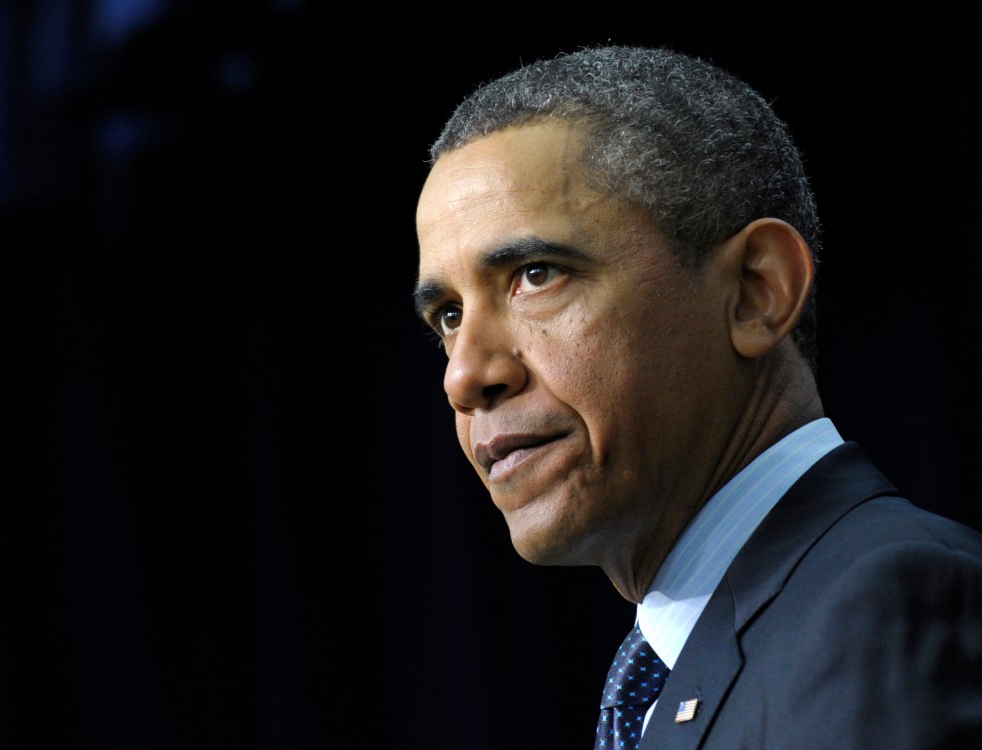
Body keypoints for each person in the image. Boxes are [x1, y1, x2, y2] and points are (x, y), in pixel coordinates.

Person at [412, 44, 982, 749]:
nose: (464, 376)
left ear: (755, 293)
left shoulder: (886, 605)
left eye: (536, 274)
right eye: (448, 316)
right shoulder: (690, 660)